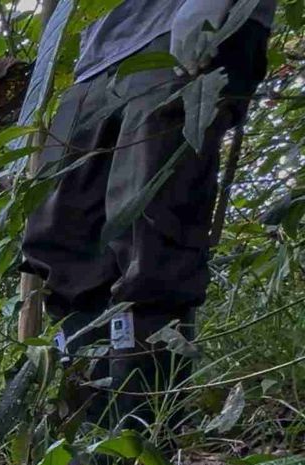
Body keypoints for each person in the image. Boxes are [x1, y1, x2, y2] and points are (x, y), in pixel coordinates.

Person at [20, 0, 277, 429]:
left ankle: (142, 434)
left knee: (150, 230)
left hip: (181, 24)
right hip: (101, 53)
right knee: (61, 239)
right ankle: (87, 431)